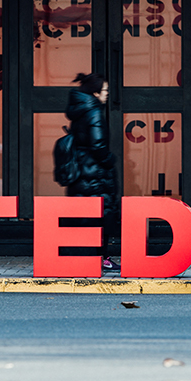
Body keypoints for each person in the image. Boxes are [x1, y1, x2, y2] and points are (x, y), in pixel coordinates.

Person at [65, 72, 120, 272]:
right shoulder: (94, 111)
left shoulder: (80, 110)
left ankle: (83, 257)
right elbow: (98, 145)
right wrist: (110, 160)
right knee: (101, 215)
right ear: (96, 93)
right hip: (95, 173)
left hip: (81, 169)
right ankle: (102, 258)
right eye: (104, 90)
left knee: (85, 216)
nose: (106, 94)